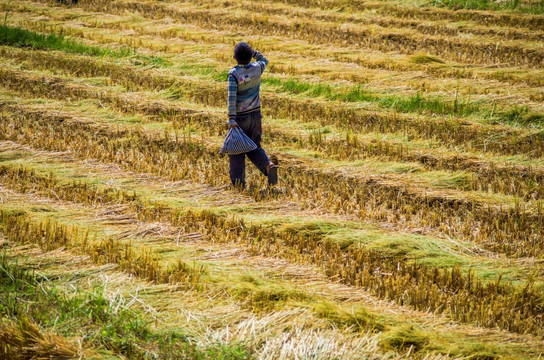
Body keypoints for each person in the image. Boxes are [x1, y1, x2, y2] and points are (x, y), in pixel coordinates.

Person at [227, 42, 278, 187]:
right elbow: (265, 60)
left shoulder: (233, 74)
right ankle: (268, 165)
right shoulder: (257, 68)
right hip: (255, 115)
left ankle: (238, 182)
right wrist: (255, 53)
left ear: (234, 57)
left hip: (240, 118)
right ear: (250, 56)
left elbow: (232, 98)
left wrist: (231, 118)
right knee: (254, 146)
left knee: (236, 150)